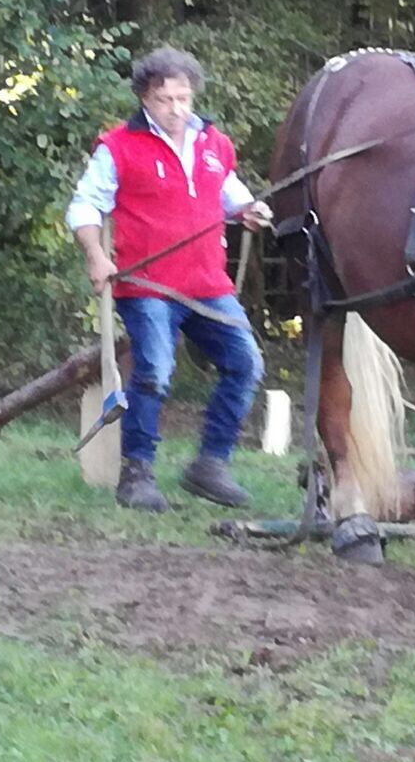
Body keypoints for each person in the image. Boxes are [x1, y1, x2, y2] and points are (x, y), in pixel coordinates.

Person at [66, 47, 271, 512]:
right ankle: (136, 473)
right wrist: (96, 256)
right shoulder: (118, 146)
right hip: (148, 286)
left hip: (209, 285)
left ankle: (210, 465)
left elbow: (229, 195)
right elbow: (84, 206)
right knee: (155, 372)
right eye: (165, 100)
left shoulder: (213, 143)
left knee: (246, 364)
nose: (177, 109)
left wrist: (251, 211)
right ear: (145, 98)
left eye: (183, 98)